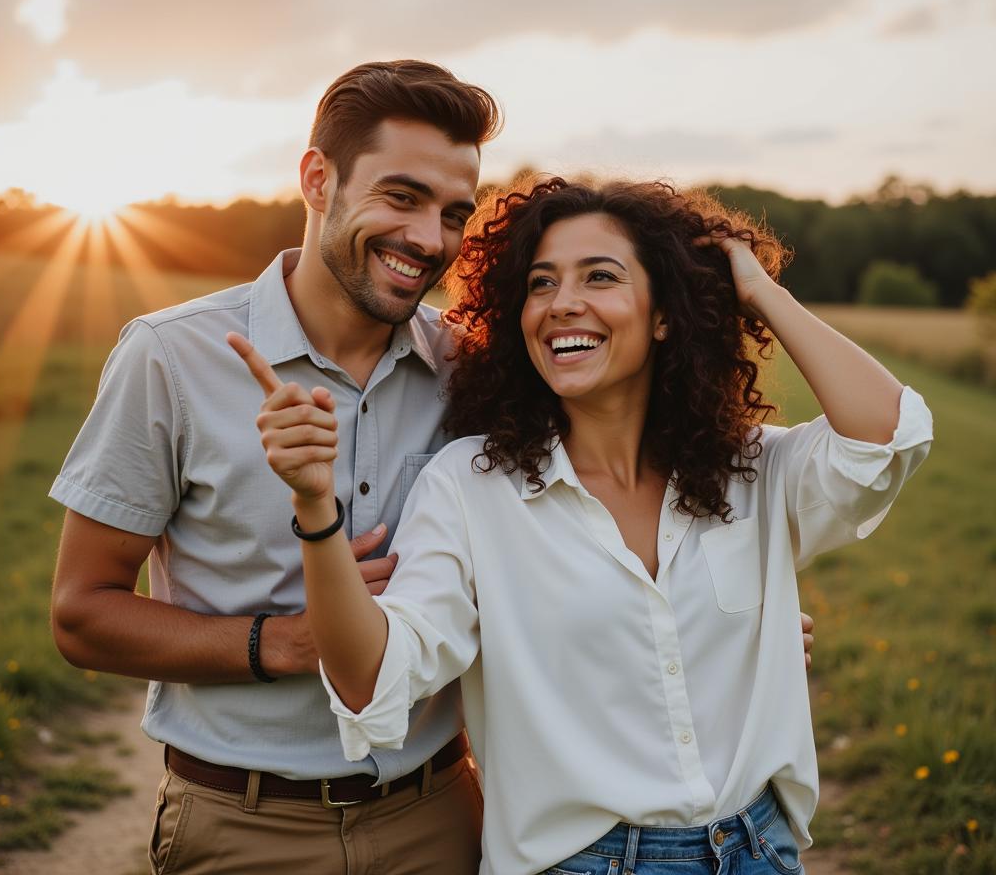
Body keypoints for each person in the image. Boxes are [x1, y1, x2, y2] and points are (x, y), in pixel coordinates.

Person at [232, 177, 932, 875]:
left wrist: (759, 291)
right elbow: (370, 682)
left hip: (759, 850)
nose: (563, 303)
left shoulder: (750, 469)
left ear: (664, 314)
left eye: (600, 277)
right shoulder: (472, 487)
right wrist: (314, 507)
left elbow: (890, 436)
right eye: (541, 284)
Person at [49, 60, 502, 875]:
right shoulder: (171, 357)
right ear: (317, 179)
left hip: (440, 819)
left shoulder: (471, 372)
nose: (431, 240)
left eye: (453, 213)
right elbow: (81, 613)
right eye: (401, 197)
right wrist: (288, 643)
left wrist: (717, 624)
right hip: (241, 829)